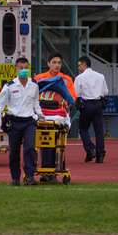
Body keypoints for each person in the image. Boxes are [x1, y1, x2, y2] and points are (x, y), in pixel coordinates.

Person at [0, 57, 43, 186]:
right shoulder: (9, 86)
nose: (23, 70)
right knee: (14, 152)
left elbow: (36, 102)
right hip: (14, 122)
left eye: (26, 68)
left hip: (29, 121)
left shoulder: (34, 85)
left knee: (30, 148)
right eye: (21, 68)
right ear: (16, 69)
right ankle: (15, 178)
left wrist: (40, 115)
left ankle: (30, 176)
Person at [34, 53, 77, 181]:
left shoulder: (66, 79)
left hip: (59, 115)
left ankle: (55, 170)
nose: (57, 65)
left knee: (58, 143)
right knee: (45, 142)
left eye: (59, 63)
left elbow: (72, 97)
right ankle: (47, 172)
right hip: (43, 115)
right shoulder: (39, 78)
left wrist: (66, 103)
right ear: (48, 63)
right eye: (54, 62)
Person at [74, 56, 109, 163]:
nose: (78, 67)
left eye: (79, 65)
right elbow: (105, 92)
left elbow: (76, 93)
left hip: (86, 105)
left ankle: (90, 149)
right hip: (98, 104)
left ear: (84, 64)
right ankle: (100, 155)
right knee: (99, 131)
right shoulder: (100, 76)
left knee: (83, 129)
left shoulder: (79, 78)